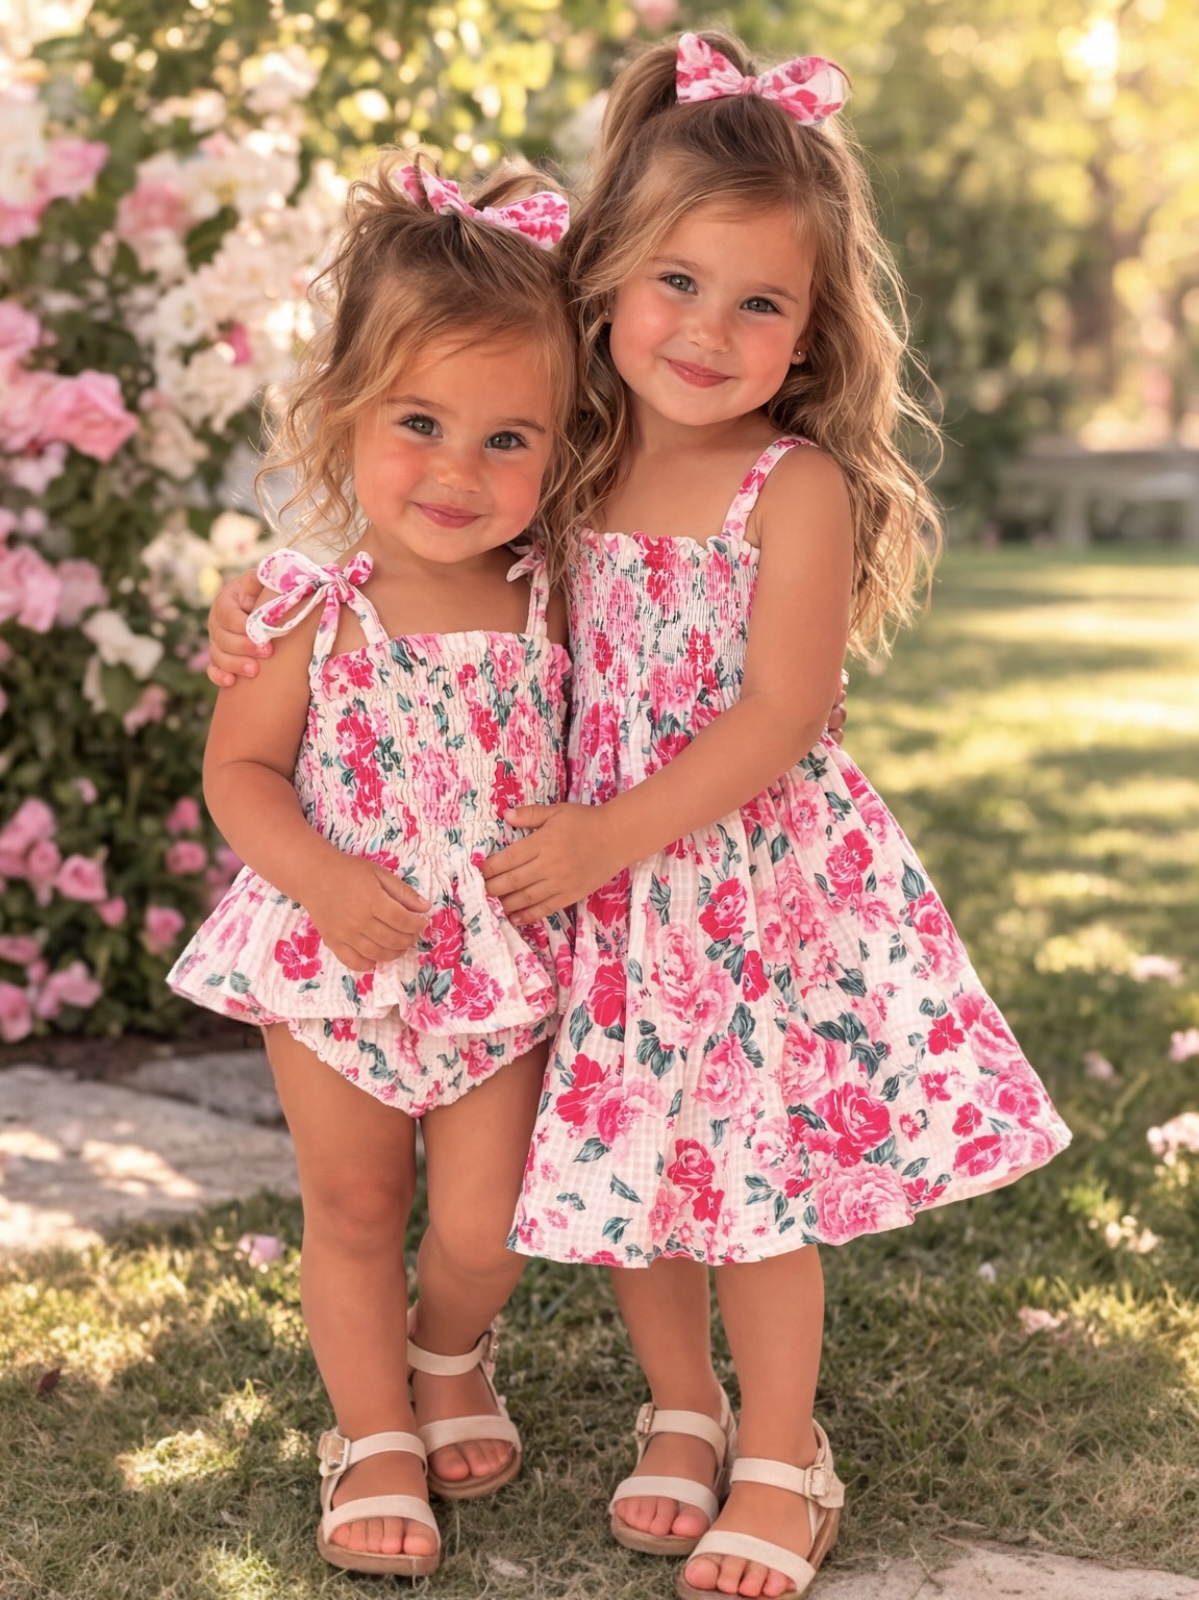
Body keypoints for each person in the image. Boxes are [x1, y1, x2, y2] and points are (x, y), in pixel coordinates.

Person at [474, 32, 1071, 1600]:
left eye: (758, 303)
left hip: (736, 893)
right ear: (602, 273)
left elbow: (780, 714)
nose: (706, 330)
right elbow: (431, 569)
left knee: (746, 1184)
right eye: (676, 282)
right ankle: (681, 1411)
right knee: (633, 1169)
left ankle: (784, 1451)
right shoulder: (566, 466)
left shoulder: (786, 486)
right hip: (608, 895)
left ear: (807, 336)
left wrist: (609, 836)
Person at [169, 156, 578, 1578]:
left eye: (508, 439)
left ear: (566, 442)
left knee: (486, 1213)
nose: (459, 474)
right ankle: (370, 1431)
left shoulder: (563, 600)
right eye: (418, 424)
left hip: (503, 958)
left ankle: (446, 1348)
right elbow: (239, 773)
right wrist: (322, 879)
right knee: (352, 1206)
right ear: (343, 414)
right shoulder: (302, 610)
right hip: (335, 948)